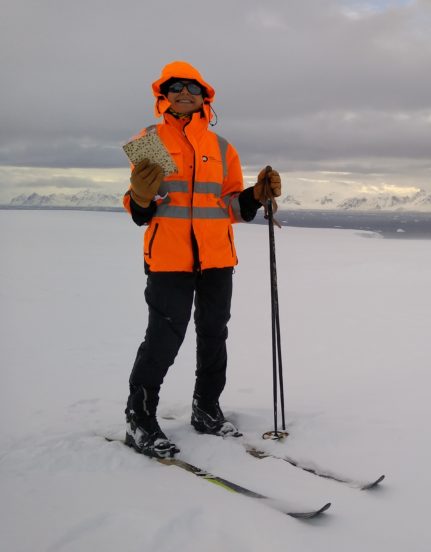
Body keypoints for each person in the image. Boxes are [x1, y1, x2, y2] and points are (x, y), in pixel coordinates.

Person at [122, 61, 281, 458]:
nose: (184, 93)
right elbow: (141, 207)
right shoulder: (148, 138)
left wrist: (254, 197)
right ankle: (139, 419)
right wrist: (140, 198)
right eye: (175, 87)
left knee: (214, 335)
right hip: (168, 260)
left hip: (216, 259)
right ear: (164, 95)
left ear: (204, 96)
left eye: (192, 87)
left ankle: (206, 409)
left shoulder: (222, 146)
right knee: (163, 339)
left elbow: (227, 205)